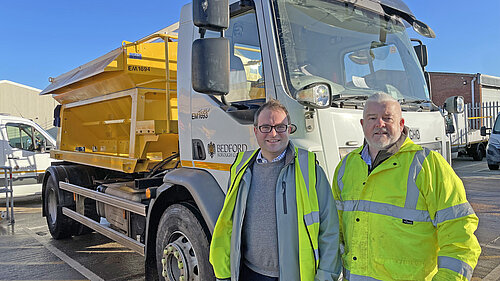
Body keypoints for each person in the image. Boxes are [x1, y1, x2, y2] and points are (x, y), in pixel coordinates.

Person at [332, 92, 481, 280]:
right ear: (363, 125)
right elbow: (334, 230)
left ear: (401, 124)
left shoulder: (429, 165)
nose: (380, 124)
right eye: (372, 118)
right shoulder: (346, 167)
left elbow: (459, 232)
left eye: (387, 118)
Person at [210, 99, 341, 281]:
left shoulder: (310, 169)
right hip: (248, 273)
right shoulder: (241, 168)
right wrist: (223, 272)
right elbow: (228, 224)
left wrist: (325, 276)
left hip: (294, 276)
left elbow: (330, 229)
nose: (273, 133)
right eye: (266, 127)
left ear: (289, 129)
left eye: (280, 127)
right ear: (255, 131)